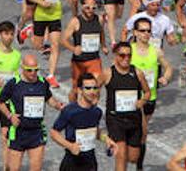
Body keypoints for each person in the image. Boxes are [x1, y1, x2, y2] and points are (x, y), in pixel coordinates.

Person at [0, 53, 63, 171]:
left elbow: (49, 98)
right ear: (22, 68)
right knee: (13, 168)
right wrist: (10, 116)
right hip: (18, 132)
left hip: (36, 131)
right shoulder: (14, 83)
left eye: (36, 70)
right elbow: (0, 102)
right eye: (29, 70)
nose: (33, 73)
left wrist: (58, 105)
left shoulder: (42, 83)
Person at [99, 40, 149, 171]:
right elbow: (94, 88)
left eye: (129, 55)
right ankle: (118, 151)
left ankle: (118, 150)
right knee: (121, 156)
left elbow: (147, 92)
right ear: (115, 56)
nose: (126, 58)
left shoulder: (137, 72)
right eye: (122, 55)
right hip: (115, 119)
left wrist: (142, 101)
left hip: (134, 119)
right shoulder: (108, 73)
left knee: (133, 157)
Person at [50, 72, 106, 171]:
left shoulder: (97, 112)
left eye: (95, 88)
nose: (92, 91)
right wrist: (70, 146)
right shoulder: (70, 111)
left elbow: (95, 131)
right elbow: (54, 132)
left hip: (90, 163)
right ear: (80, 90)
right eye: (88, 88)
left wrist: (106, 139)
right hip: (72, 163)